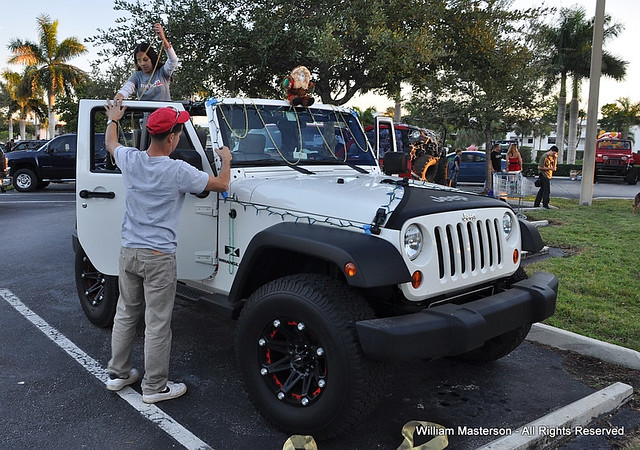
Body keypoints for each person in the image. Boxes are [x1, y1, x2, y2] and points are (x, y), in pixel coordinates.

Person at [102, 99, 232, 403]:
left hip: (129, 252)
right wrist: (225, 158)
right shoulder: (178, 171)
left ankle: (119, 375)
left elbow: (110, 143)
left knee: (125, 314)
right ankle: (154, 387)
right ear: (172, 138)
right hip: (159, 258)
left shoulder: (131, 159)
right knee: (157, 323)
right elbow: (222, 184)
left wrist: (114, 118)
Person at [114, 23, 178, 101]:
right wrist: (118, 97)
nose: (142, 64)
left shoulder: (162, 72)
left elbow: (173, 60)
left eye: (145, 59)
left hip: (165, 112)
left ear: (152, 58)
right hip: (147, 113)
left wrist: (163, 39)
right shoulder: (137, 76)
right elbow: (126, 90)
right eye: (139, 60)